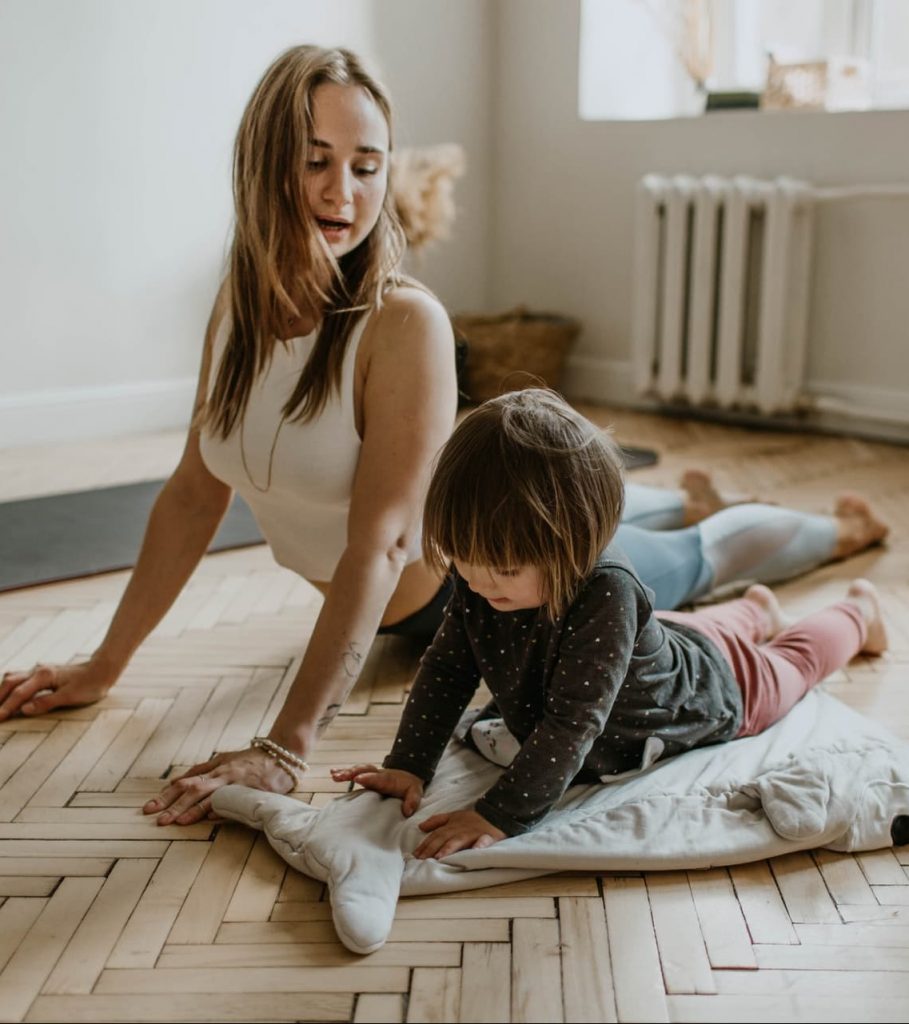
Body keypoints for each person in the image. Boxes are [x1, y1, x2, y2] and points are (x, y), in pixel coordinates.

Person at [0, 46, 887, 827]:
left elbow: (383, 541)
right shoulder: (236, 309)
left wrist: (285, 743)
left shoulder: (400, 321)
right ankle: (689, 526)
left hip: (497, 583)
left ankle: (837, 537)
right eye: (314, 161)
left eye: (365, 164)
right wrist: (104, 664)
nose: (341, 190)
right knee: (657, 532)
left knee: (693, 556)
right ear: (261, 163)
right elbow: (195, 493)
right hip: (445, 595)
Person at [331, 390, 887, 858]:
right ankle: (757, 609)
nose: (477, 583)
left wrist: (498, 814)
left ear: (574, 545)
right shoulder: (483, 578)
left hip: (713, 687)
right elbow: (449, 667)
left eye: (501, 569)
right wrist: (408, 763)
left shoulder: (608, 592)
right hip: (663, 641)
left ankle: (858, 613)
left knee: (792, 662)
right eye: (463, 563)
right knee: (691, 631)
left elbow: (573, 723)